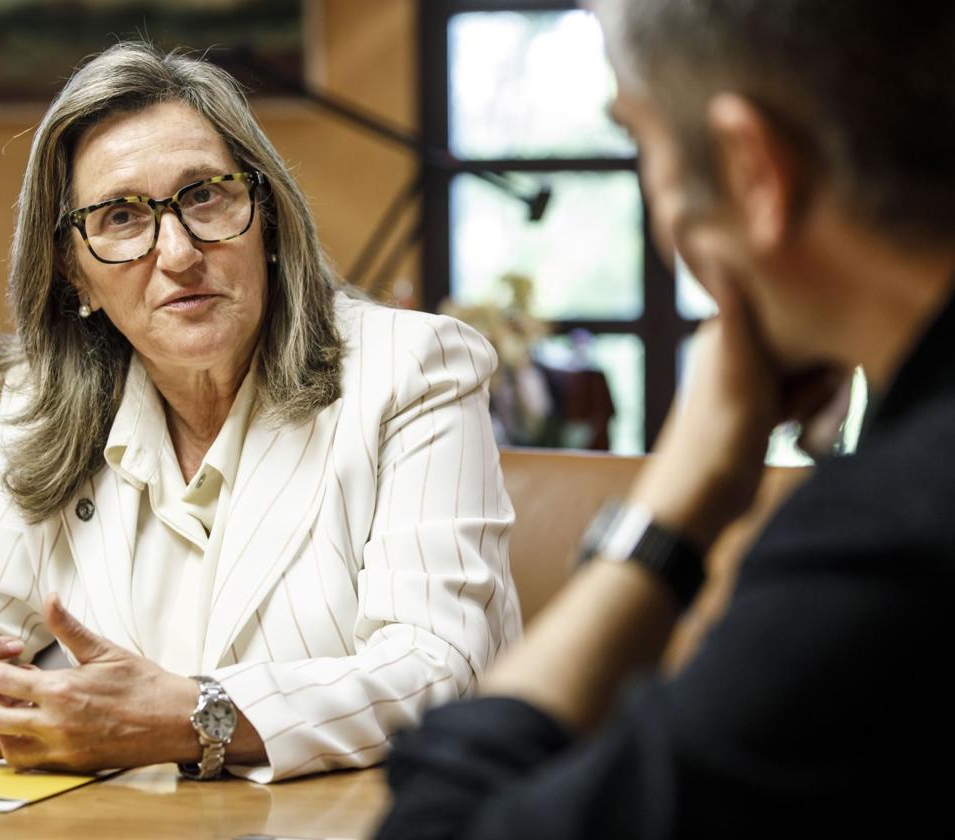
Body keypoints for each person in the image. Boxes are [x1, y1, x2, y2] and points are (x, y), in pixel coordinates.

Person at [0, 42, 520, 783]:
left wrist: (194, 718)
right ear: (72, 270)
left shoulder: (414, 369)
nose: (178, 252)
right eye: (121, 217)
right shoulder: (48, 405)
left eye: (206, 196)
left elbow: (440, 668)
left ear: (267, 216)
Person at [377, 0, 955, 835]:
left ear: (751, 169)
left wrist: (673, 507)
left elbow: (439, 826)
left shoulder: (895, 535)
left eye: (638, 139)